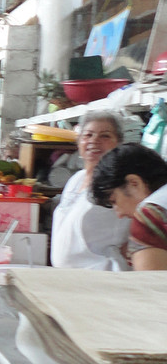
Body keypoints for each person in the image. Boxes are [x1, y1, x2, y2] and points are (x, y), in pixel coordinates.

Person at [51, 110, 130, 270]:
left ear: (119, 143)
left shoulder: (118, 183)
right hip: (69, 279)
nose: (95, 141)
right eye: (88, 135)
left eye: (105, 136)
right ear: (79, 142)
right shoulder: (76, 179)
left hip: (102, 277)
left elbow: (141, 222)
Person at [91, 143, 167, 271]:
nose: (119, 214)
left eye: (114, 201)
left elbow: (151, 284)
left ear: (134, 183)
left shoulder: (149, 216)